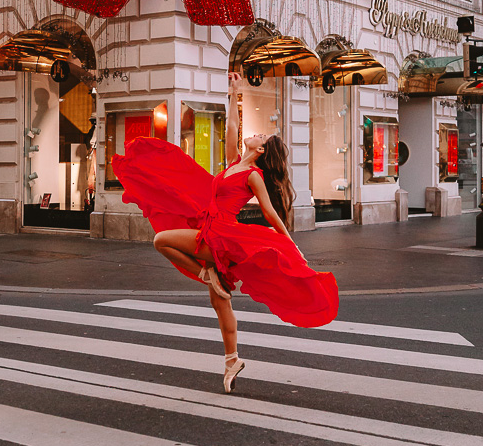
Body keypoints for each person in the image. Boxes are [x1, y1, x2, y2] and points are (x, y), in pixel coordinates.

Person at [111, 73, 339, 394]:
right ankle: (232, 360)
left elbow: (270, 212)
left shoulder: (253, 175)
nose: (256, 134)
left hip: (220, 237)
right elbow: (232, 128)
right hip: (209, 228)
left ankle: (207, 274)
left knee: (161, 241)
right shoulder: (235, 162)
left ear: (261, 150)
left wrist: (291, 243)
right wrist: (234, 93)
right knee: (221, 305)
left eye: (261, 136)